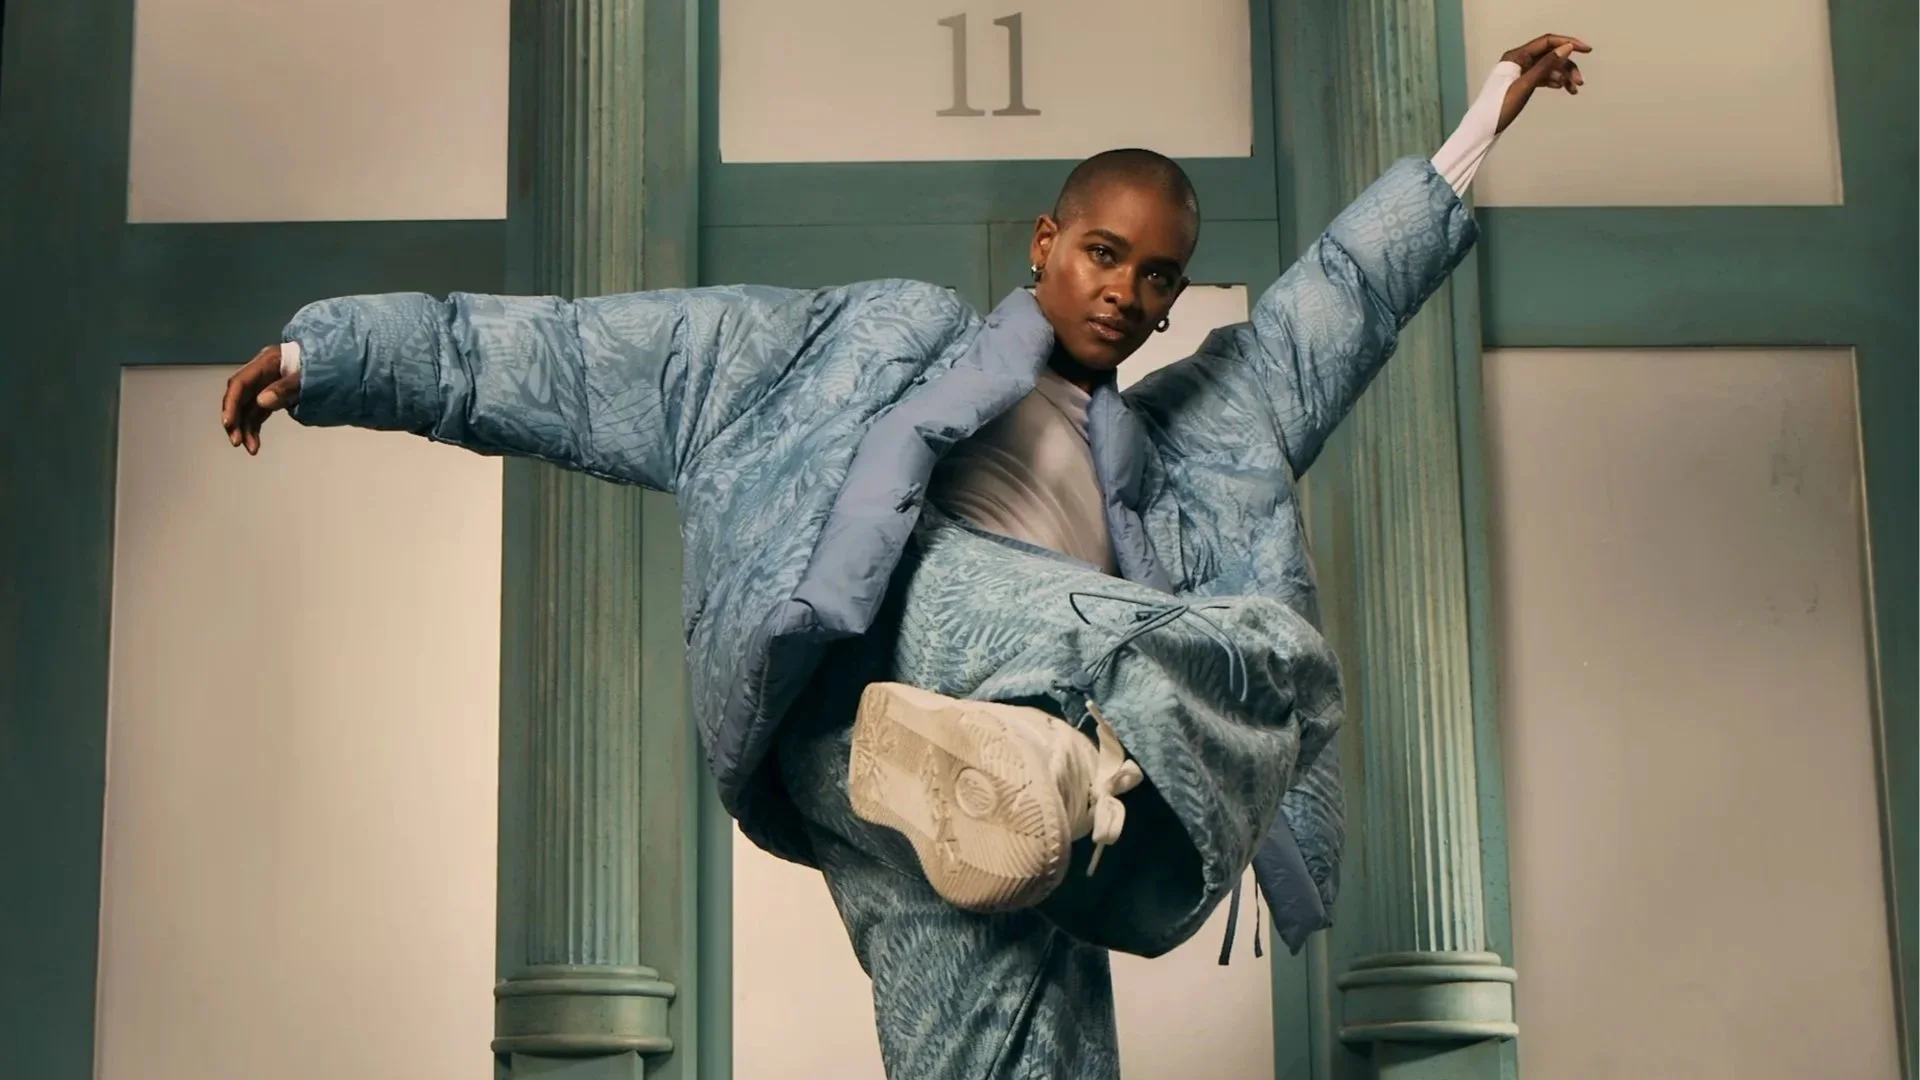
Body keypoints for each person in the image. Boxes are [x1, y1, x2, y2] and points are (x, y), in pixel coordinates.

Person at [220, 33, 1588, 1079]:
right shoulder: (863, 348)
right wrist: (324, 357)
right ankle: (1054, 752)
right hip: (864, 686)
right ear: (1047, 245)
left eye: (1160, 277)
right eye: (1105, 255)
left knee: (1022, 1041)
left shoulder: (1183, 448)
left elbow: (1330, 311)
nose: (1127, 292)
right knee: (1114, 626)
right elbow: (578, 359)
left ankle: (1058, 776)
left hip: (968, 812)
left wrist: (1479, 127)